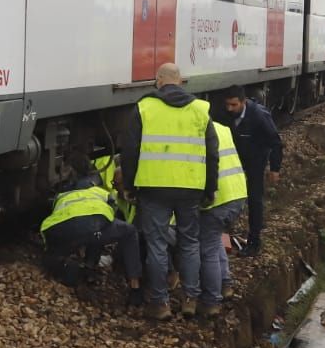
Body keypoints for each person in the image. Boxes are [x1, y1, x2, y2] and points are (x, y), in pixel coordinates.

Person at [121, 63, 218, 320]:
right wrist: (211, 188)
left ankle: (161, 303)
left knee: (156, 245)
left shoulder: (144, 108)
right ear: (181, 81)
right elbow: (212, 154)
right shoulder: (200, 109)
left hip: (153, 189)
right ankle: (189, 299)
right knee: (189, 243)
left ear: (158, 81)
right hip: (190, 188)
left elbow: (129, 152)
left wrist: (129, 186)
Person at [38, 164, 142, 305]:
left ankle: (70, 269)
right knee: (125, 231)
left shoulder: (61, 196)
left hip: (61, 230)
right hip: (94, 226)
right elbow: (111, 216)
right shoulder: (100, 192)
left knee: (52, 257)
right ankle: (134, 287)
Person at [222, 86, 282, 257]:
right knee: (226, 196)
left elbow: (275, 142)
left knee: (255, 197)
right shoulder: (225, 114)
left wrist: (275, 168)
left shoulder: (259, 116)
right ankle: (224, 239)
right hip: (235, 158)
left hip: (256, 158)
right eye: (227, 105)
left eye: (233, 105)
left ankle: (254, 242)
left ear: (243, 102)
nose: (229, 109)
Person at [196, 120, 249, 318]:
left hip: (218, 199)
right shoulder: (222, 127)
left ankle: (211, 301)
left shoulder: (193, 133)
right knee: (215, 238)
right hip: (236, 193)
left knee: (207, 249)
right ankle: (225, 284)